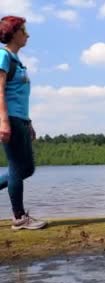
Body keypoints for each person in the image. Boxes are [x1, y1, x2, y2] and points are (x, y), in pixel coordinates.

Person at [0, 15, 46, 230]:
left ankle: (19, 216)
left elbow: (18, 95)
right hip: (9, 119)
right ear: (13, 33)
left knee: (27, 168)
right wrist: (4, 122)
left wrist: (29, 123)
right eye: (23, 31)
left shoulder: (17, 61)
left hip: (20, 120)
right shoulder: (3, 56)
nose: (27, 35)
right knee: (17, 168)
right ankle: (19, 218)